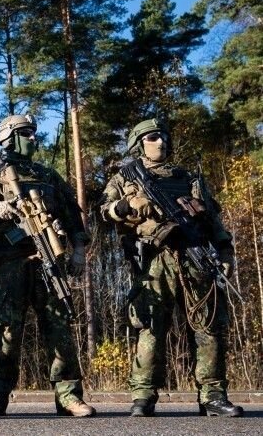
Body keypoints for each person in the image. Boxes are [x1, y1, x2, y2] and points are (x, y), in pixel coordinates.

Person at [100, 119, 243, 417]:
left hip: (194, 256)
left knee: (207, 325)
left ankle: (213, 395)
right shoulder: (124, 177)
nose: (161, 142)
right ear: (139, 143)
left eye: (164, 136)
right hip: (155, 260)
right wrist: (126, 206)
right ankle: (143, 396)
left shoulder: (187, 177)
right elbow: (104, 211)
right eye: (153, 137)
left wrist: (225, 251)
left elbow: (212, 218)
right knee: (151, 327)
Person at [0, 114, 94, 417]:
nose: (33, 138)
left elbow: (73, 216)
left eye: (33, 133)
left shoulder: (48, 176)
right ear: (9, 138)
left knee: (60, 328)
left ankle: (69, 396)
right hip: (10, 265)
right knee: (6, 330)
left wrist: (78, 250)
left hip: (49, 261)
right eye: (26, 133)